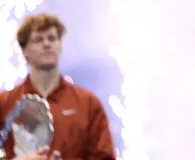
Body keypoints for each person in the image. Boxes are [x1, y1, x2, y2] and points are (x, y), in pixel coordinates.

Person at [0, 13, 116, 160]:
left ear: (60, 45)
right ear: (24, 51)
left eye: (52, 38)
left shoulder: (88, 103)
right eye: (38, 40)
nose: (46, 44)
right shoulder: (4, 103)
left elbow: (105, 157)